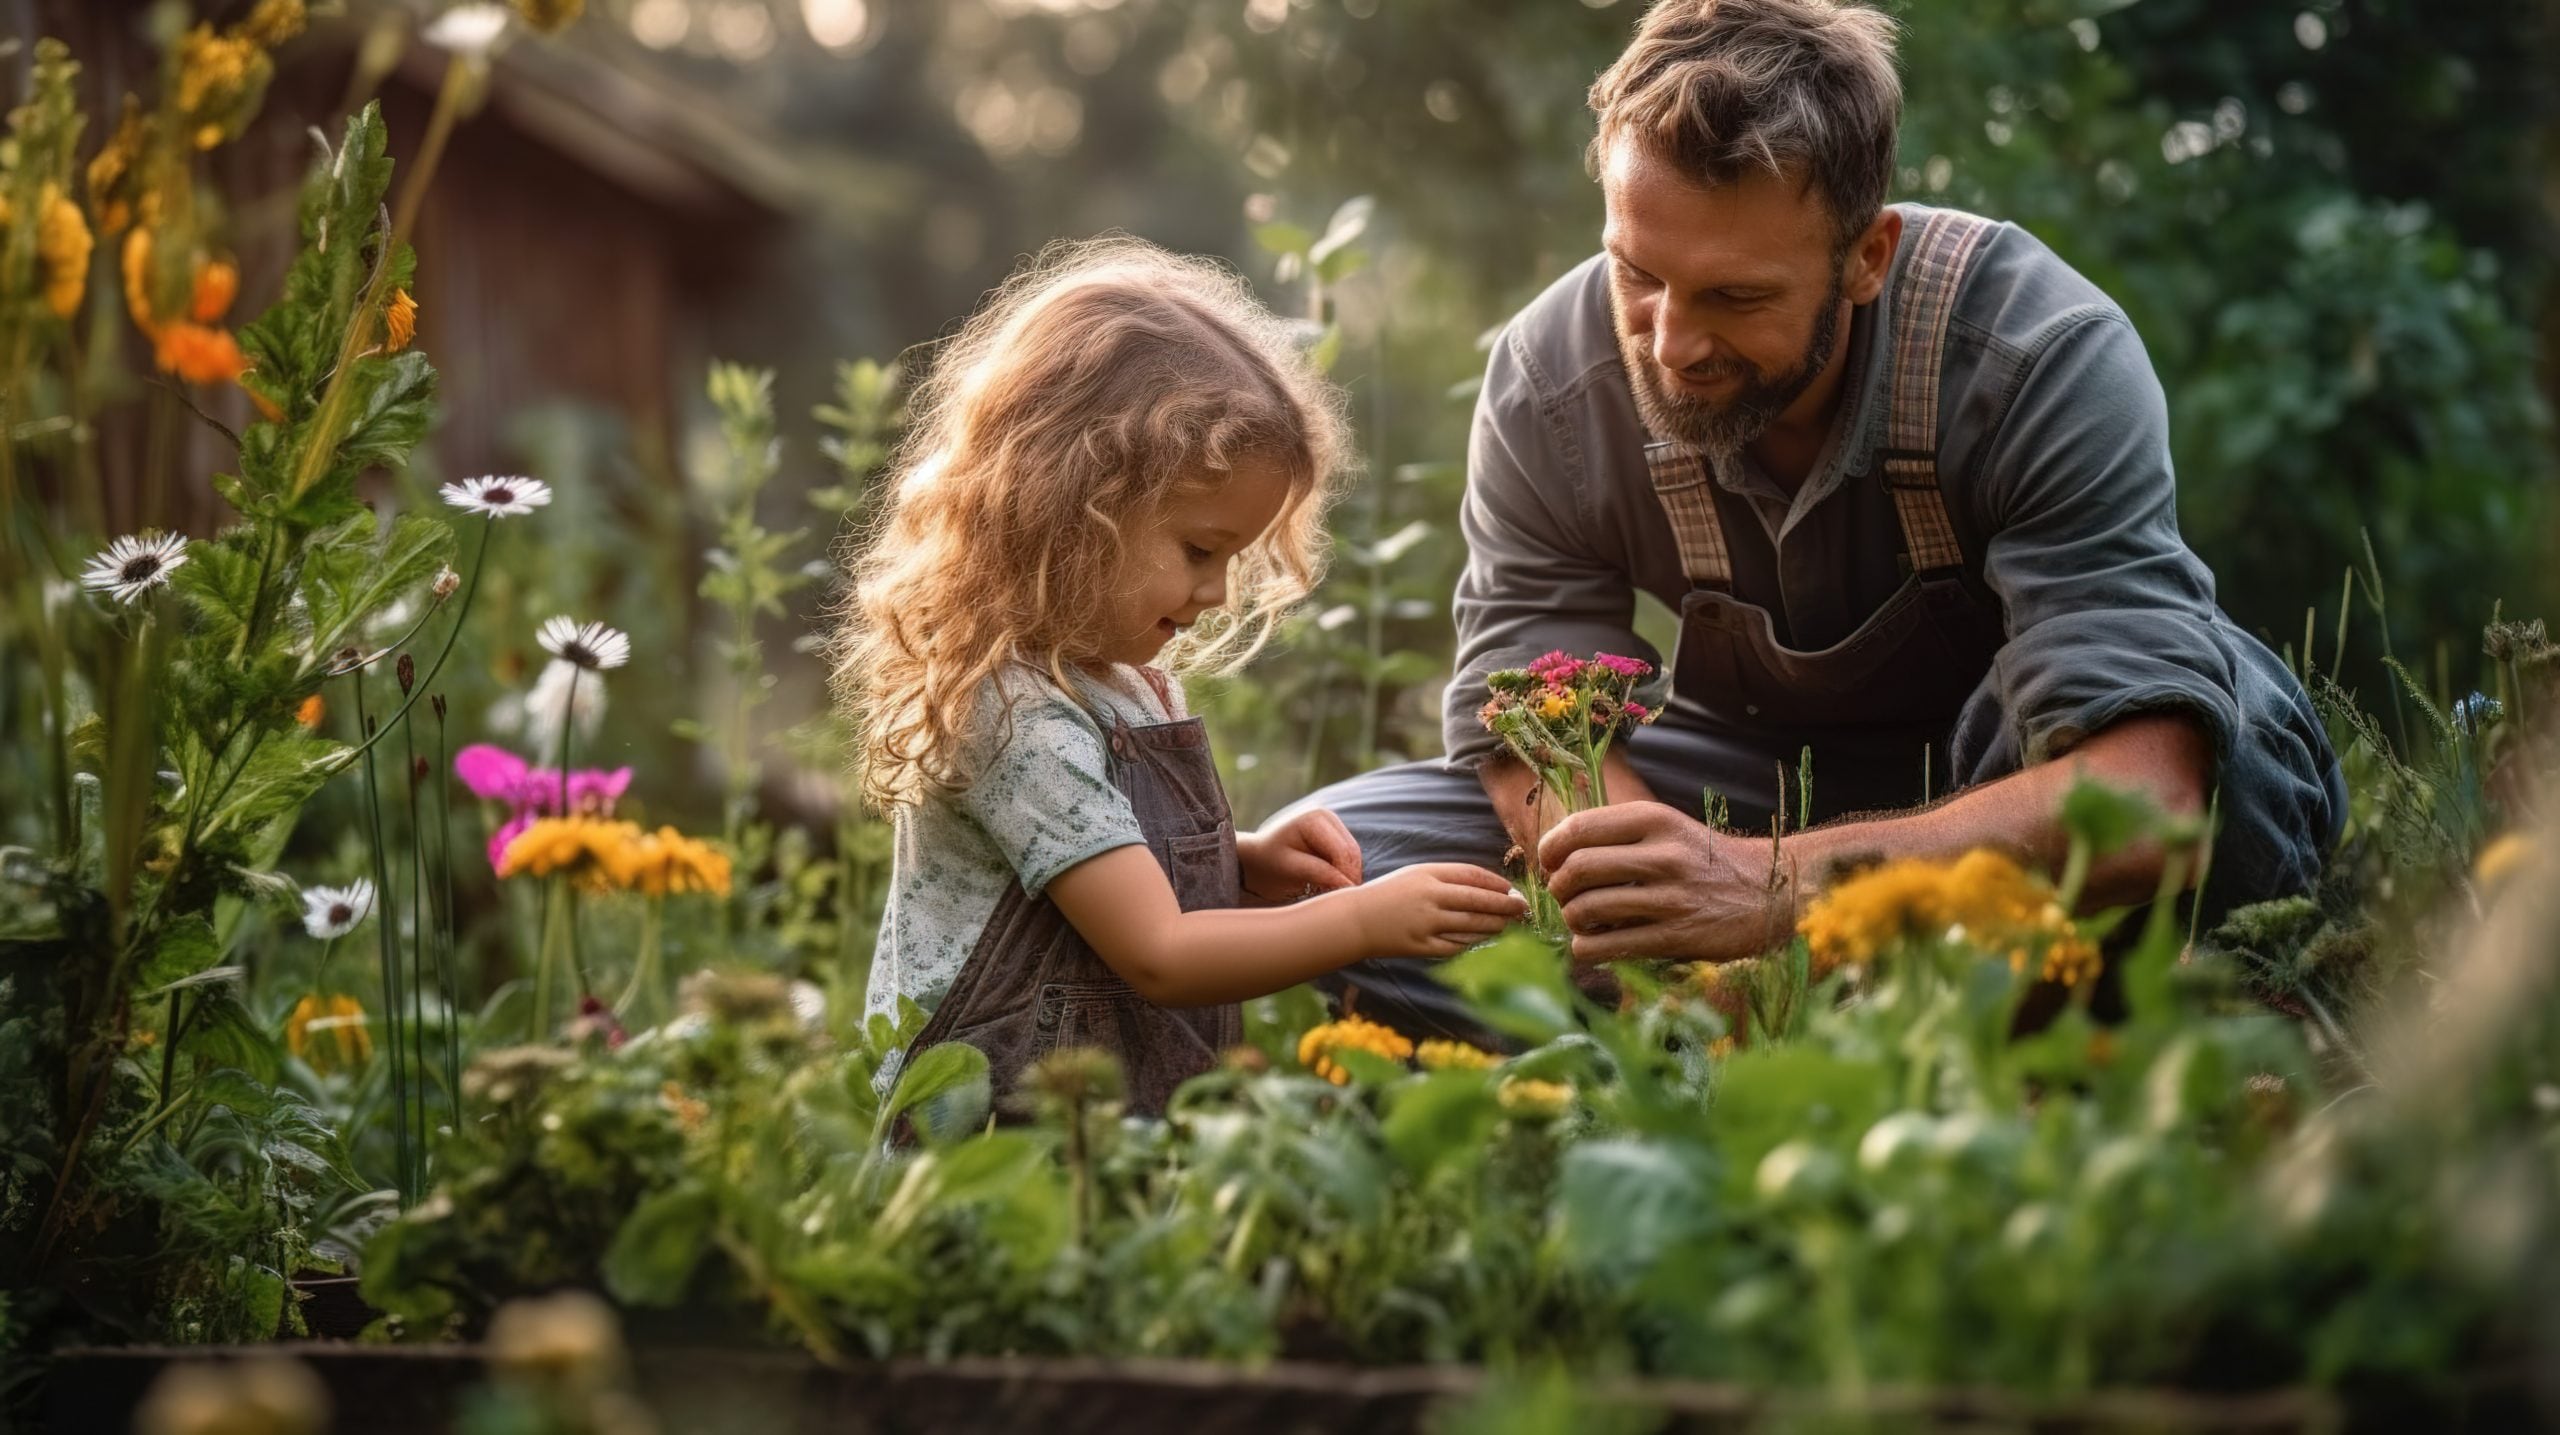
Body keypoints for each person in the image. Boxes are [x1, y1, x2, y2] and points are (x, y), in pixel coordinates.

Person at [1277, 0, 2346, 1041]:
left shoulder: (2036, 354)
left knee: (2225, 756)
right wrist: (1644, 916)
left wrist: (1772, 888)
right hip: (1745, 786)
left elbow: (2149, 794)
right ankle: (1779, 1036)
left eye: (1735, 298)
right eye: (1637, 274)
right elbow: (1532, 721)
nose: (1670, 345)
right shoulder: (1549, 381)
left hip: (2005, 785)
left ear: (1866, 256)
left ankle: (1983, 1023)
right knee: (1338, 870)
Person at [835, 238, 1528, 1112]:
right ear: (1068, 505)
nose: (1217, 592)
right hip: (990, 1132)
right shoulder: (1010, 711)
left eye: (1234, 557)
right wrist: (1361, 921)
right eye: (1201, 549)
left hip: (1103, 1108)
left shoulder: (1116, 682)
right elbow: (1157, 950)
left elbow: (1087, 866)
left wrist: (1244, 865)